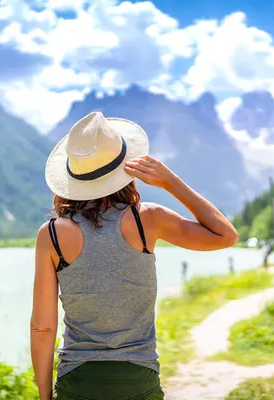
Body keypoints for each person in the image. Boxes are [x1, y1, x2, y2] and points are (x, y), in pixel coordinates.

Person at [31, 112, 239, 400]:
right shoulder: (148, 220)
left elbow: (43, 326)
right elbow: (226, 235)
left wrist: (44, 396)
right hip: (139, 380)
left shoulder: (51, 234)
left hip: (77, 382)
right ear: (126, 168)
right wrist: (171, 182)